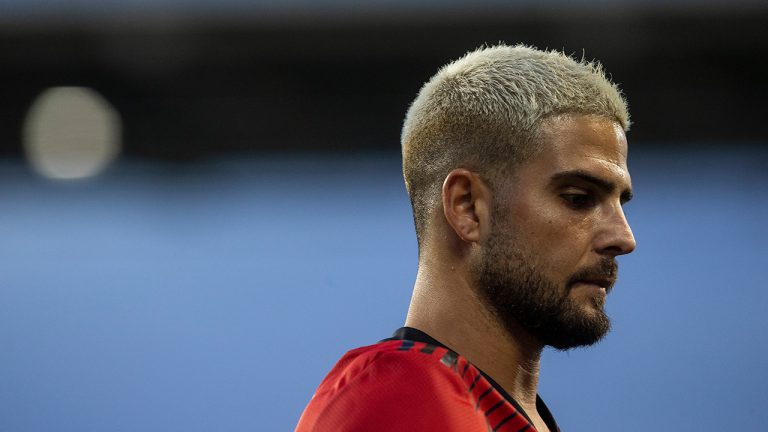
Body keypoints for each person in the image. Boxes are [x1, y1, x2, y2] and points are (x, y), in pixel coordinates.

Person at [295, 44, 636, 432]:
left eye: (620, 203)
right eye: (578, 199)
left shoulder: (483, 411)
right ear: (467, 207)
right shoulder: (402, 401)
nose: (623, 238)